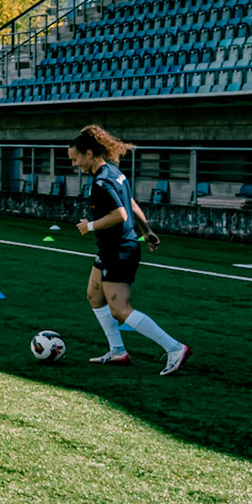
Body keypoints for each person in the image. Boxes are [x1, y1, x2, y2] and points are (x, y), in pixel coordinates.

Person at [71, 125, 188, 375]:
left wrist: (89, 225)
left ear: (89, 153)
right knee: (94, 295)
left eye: (76, 158)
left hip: (119, 251)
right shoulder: (113, 172)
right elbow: (131, 203)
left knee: (121, 310)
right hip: (111, 248)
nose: (74, 164)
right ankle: (117, 351)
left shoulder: (101, 181)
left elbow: (120, 213)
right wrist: (147, 230)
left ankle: (175, 348)